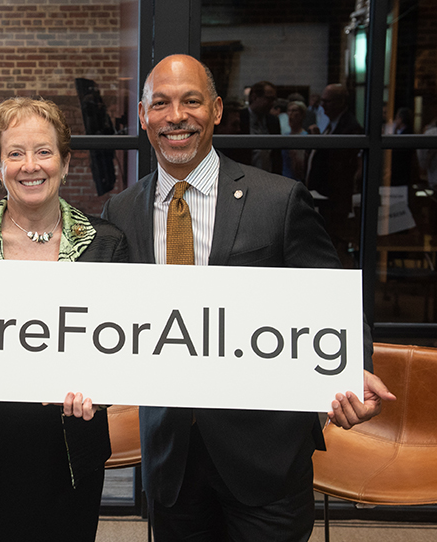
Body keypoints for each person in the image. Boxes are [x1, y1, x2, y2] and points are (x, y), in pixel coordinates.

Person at [101, 54, 395, 541]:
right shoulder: (121, 210)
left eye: (191, 101)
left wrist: (350, 370)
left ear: (216, 110)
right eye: (162, 103)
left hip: (267, 457)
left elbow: (332, 306)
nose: (176, 116)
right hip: (171, 456)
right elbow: (105, 315)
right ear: (142, 115)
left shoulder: (278, 201)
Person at [0, 97, 128, 542]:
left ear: (66, 161)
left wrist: (103, 390)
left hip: (70, 454)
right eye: (14, 153)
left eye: (43, 151)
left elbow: (122, 352)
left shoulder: (108, 246)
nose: (29, 165)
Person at [305, 83, 364, 267]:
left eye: (327, 101)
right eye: (322, 101)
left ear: (340, 102)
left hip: (336, 199)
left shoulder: (349, 127)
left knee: (335, 243)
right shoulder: (332, 124)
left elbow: (338, 164)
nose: (322, 106)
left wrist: (320, 142)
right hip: (325, 197)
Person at [237, 80, 282, 173]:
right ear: (254, 97)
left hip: (269, 176)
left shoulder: (273, 121)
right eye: (269, 99)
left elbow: (276, 154)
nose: (272, 103)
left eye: (274, 99)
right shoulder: (240, 118)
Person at [282, 99, 309, 180]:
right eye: (289, 111)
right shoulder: (285, 135)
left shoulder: (305, 137)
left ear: (301, 115)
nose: (290, 114)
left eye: (294, 111)